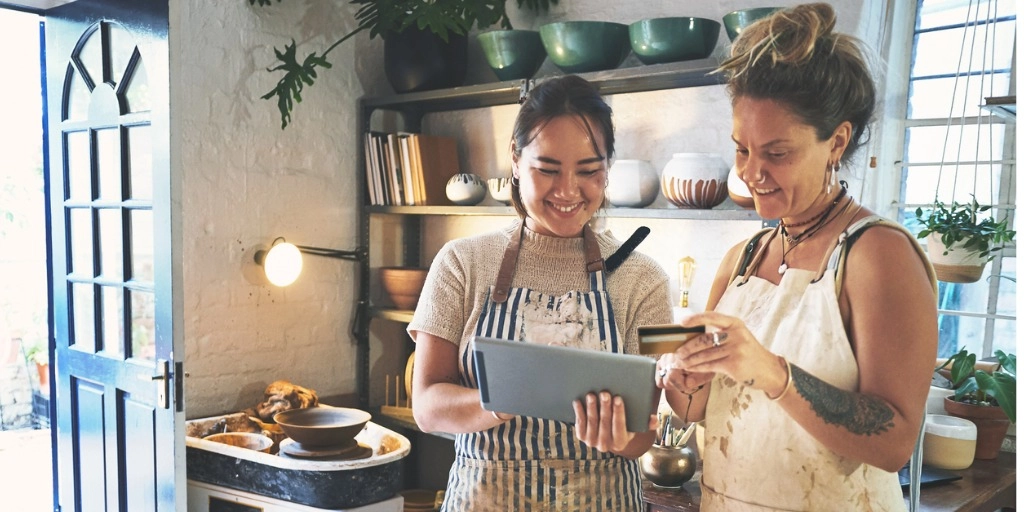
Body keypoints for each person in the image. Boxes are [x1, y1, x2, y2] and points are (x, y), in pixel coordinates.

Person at [655, 4, 939, 511]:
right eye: (742, 149)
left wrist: (774, 373)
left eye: (777, 153)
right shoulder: (741, 260)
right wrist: (683, 381)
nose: (751, 173)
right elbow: (702, 411)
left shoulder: (877, 254)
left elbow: (895, 441)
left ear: (837, 142)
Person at [408, 74, 672, 511]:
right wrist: (506, 398)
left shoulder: (645, 280)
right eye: (547, 169)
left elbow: (645, 433)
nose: (568, 191)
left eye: (589, 171)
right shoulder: (460, 263)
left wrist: (620, 434)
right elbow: (427, 405)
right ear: (515, 159)